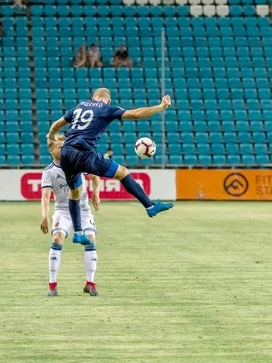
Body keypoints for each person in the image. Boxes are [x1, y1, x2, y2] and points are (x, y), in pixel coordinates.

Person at [46, 88, 174, 246]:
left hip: (66, 154)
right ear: (108, 101)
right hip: (84, 153)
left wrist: (51, 135)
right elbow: (135, 114)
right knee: (123, 173)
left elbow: (56, 125)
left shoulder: (79, 106)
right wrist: (160, 107)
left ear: (93, 98)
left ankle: (78, 233)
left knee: (74, 192)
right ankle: (150, 205)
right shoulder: (107, 108)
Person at [40, 135, 101, 297]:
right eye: (59, 147)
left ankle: (90, 283)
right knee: (57, 239)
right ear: (51, 150)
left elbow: (95, 175)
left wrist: (96, 192)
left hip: (83, 210)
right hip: (62, 211)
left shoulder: (77, 162)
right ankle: (52, 286)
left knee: (90, 238)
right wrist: (45, 215)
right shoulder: (49, 172)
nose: (63, 149)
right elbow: (45, 196)